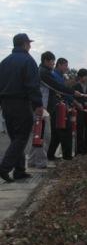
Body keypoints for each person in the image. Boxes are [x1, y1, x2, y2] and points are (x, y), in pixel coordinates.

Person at [0, 33, 43, 183]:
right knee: (21, 137)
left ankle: (19, 171)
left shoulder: (4, 62)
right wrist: (38, 104)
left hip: (6, 105)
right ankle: (4, 167)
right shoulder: (28, 60)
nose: (30, 46)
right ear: (24, 44)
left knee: (15, 137)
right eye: (29, 43)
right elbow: (32, 85)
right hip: (21, 103)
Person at [44, 56, 81, 161]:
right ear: (59, 65)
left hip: (61, 106)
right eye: (65, 65)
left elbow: (66, 89)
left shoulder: (61, 76)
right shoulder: (54, 76)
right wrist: (75, 100)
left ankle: (50, 155)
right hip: (58, 107)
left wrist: (74, 101)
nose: (67, 68)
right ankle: (67, 156)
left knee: (57, 133)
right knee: (66, 130)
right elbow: (62, 90)